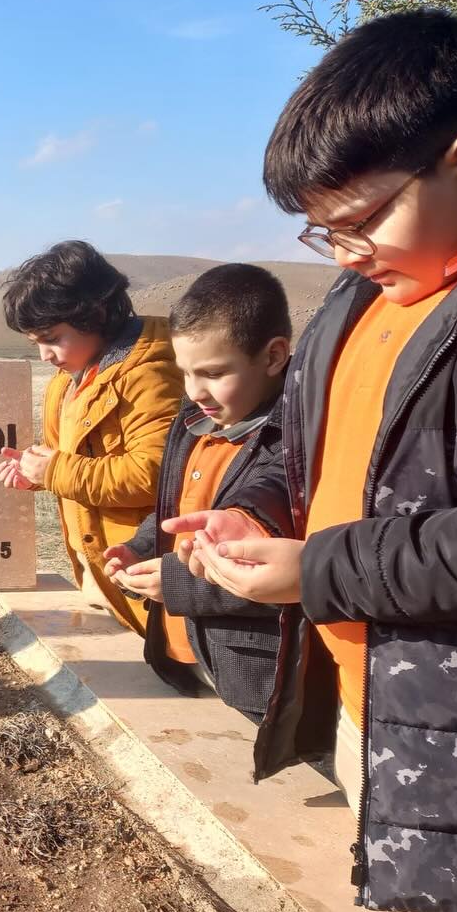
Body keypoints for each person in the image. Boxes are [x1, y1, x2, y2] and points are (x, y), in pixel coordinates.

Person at [165, 10, 457, 912]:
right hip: (372, 715)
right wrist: (259, 512)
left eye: (360, 220)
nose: (342, 251)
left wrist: (320, 569)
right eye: (322, 231)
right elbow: (302, 451)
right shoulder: (358, 293)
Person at [102, 264, 291, 721]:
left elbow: (289, 571)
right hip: (181, 657)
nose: (195, 391)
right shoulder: (193, 419)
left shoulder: (293, 443)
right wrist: (140, 546)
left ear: (273, 356)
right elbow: (177, 508)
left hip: (254, 685)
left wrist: (178, 583)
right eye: (185, 373)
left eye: (213, 372)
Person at [0, 240, 182, 634]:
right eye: (36, 343)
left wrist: (56, 471)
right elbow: (75, 461)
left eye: (52, 338)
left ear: (95, 314)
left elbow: (157, 474)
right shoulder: (67, 380)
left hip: (144, 577)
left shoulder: (148, 374)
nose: (45, 355)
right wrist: (37, 475)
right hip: (100, 577)